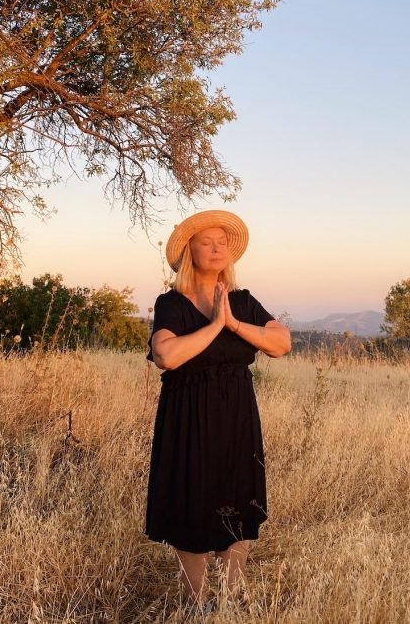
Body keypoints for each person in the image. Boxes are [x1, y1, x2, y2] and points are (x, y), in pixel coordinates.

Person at [145, 209, 292, 610]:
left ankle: (230, 597)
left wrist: (234, 323)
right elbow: (166, 356)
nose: (216, 249)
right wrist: (213, 326)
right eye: (206, 243)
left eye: (222, 243)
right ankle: (196, 602)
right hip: (188, 417)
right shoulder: (171, 303)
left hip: (237, 415)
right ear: (189, 252)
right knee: (190, 500)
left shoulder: (241, 301)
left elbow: (281, 343)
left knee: (239, 499)